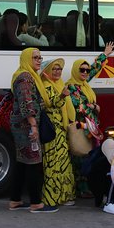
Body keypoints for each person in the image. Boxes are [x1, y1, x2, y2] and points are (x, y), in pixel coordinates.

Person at [8, 48, 57, 213]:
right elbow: (26, 102)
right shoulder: (25, 78)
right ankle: (36, 203)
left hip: (23, 125)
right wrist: (33, 125)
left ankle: (15, 200)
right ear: (27, 59)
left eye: (40, 57)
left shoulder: (27, 75)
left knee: (22, 162)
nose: (39, 60)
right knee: (34, 162)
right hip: (26, 126)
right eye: (35, 57)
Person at [65, 41, 114, 197]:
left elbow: (94, 69)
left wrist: (105, 54)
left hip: (90, 128)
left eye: (86, 70)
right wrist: (94, 107)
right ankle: (80, 189)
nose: (86, 72)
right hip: (80, 126)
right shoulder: (72, 86)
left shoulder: (83, 84)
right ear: (75, 70)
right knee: (79, 155)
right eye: (82, 70)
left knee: (87, 155)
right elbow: (77, 106)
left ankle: (85, 187)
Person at [39, 58, 76, 208]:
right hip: (52, 132)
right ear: (47, 71)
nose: (57, 71)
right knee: (53, 164)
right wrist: (62, 96)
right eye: (54, 69)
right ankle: (51, 198)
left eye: (59, 69)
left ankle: (65, 197)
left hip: (60, 130)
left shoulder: (59, 84)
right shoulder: (47, 85)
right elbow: (50, 104)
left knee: (63, 164)